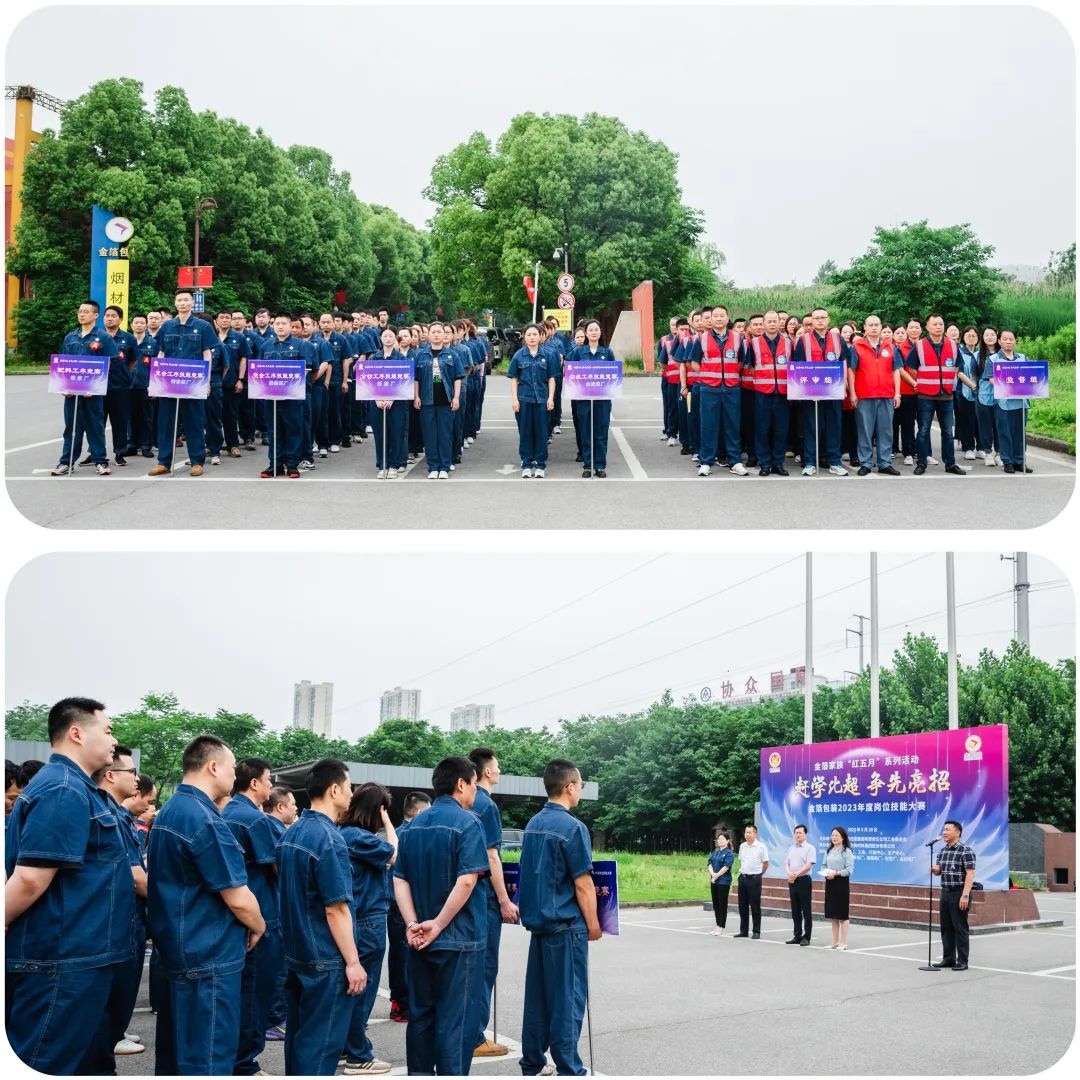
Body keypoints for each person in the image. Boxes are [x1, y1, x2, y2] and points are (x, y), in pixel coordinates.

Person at [5, 698, 130, 1074]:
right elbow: (29, 878)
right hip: (61, 962)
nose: (113, 740)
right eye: (107, 730)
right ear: (76, 733)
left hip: (82, 957)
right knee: (47, 1063)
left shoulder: (77, 788)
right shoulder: (63, 789)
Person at [147, 736, 266, 1075]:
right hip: (208, 958)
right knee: (208, 1057)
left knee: (177, 1054)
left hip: (180, 950)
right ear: (213, 767)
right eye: (231, 768)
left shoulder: (172, 809)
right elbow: (238, 898)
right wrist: (259, 926)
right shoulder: (204, 818)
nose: (234, 776)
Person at [392, 756, 489, 1077]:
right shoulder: (468, 823)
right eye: (474, 784)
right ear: (461, 784)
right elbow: (467, 879)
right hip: (458, 942)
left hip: (419, 940)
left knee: (422, 1016)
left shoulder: (413, 826)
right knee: (455, 1021)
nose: (475, 791)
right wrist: (439, 924)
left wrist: (412, 924)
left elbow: (399, 878)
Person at [277, 759, 365, 1076]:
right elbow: (336, 907)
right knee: (321, 1045)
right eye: (350, 787)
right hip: (325, 959)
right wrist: (353, 962)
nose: (352, 794)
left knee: (300, 1040)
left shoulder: (292, 832)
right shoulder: (329, 838)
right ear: (334, 789)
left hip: (297, 954)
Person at [517, 758, 601, 1077]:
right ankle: (569, 1068)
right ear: (569, 787)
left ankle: (533, 1063)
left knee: (538, 1000)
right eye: (579, 785)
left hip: (539, 926)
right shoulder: (573, 827)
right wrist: (593, 924)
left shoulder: (534, 824)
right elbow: (582, 882)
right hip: (566, 927)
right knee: (567, 998)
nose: (580, 790)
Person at [223, 758, 284, 1077]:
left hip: (233, 916)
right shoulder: (254, 821)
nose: (272, 786)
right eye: (269, 780)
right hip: (261, 918)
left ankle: (236, 1059)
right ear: (255, 784)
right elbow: (277, 867)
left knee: (238, 995)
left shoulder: (226, 813)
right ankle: (245, 1064)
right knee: (255, 998)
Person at [339, 783, 397, 1075]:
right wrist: (388, 823)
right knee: (364, 991)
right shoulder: (361, 838)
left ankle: (345, 1046)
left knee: (350, 990)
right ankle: (358, 1055)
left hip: (352, 919)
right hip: (369, 920)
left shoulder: (341, 833)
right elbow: (393, 853)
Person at [468, 748, 520, 1058]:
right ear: (487, 771)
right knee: (485, 967)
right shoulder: (486, 805)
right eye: (497, 767)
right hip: (484, 896)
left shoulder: (465, 801)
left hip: (463, 895)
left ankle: (463, 1031)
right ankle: (475, 1037)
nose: (499, 771)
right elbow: (491, 855)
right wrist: (504, 899)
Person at [148, 289, 217, 477]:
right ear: (175, 302)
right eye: (179, 300)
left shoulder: (203, 326)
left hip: (194, 382)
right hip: (168, 381)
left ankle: (197, 461)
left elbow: (207, 354)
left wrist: (207, 381)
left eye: (186, 300)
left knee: (194, 421)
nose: (183, 303)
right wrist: (155, 381)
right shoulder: (167, 326)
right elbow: (161, 353)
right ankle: (164, 461)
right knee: (166, 422)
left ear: (192, 303)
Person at [51, 299, 118, 476]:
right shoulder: (70, 337)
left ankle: (101, 462)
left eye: (86, 312)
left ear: (96, 315)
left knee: (95, 426)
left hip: (92, 393)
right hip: (72, 393)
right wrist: (63, 386)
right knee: (71, 427)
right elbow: (63, 364)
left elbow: (109, 365)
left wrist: (95, 387)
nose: (82, 314)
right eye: (80, 311)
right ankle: (66, 462)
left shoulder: (103, 337)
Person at [686, 305, 747, 477]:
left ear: (728, 319)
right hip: (709, 389)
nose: (719, 318)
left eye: (722, 316)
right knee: (708, 426)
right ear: (710, 320)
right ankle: (706, 462)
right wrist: (708, 377)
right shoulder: (702, 339)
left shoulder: (737, 338)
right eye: (716, 316)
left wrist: (728, 376)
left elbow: (740, 362)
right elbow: (694, 362)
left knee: (732, 426)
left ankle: (735, 461)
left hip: (731, 388)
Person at [387, 791, 432, 1024]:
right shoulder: (415, 835)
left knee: (398, 954)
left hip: (394, 903)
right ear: (418, 812)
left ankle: (400, 1001)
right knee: (406, 955)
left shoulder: (394, 834)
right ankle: (404, 1003)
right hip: (407, 905)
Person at [907, 313, 966, 476]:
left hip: (946, 395)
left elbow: (957, 365)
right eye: (935, 324)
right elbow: (912, 367)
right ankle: (921, 463)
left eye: (941, 324)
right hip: (925, 395)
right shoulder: (919, 345)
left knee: (948, 431)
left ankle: (950, 463)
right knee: (924, 430)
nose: (938, 327)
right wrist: (924, 380)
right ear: (927, 327)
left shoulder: (953, 346)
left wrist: (947, 379)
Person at [792, 308, 849, 476]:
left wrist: (844, 384)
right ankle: (810, 462)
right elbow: (798, 366)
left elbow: (843, 362)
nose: (820, 321)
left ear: (828, 319)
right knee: (812, 426)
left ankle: (834, 461)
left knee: (834, 426)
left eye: (823, 317)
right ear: (811, 321)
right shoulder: (804, 340)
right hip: (812, 391)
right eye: (816, 318)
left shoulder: (838, 339)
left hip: (833, 389)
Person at [262, 785, 297, 1044]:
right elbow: (279, 868)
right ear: (280, 806)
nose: (296, 808)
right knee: (277, 970)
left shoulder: (276, 828)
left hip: (274, 909)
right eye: (293, 803)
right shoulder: (272, 829)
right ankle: (276, 1019)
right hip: (273, 911)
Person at [847, 314, 902, 475]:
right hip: (864, 395)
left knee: (886, 430)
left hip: (886, 394)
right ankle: (866, 463)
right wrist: (853, 393)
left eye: (876, 325)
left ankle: (885, 463)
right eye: (870, 325)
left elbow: (896, 371)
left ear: (881, 327)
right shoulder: (857, 347)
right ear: (864, 328)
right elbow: (851, 371)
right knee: (865, 430)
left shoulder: (890, 347)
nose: (873, 327)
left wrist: (897, 393)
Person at [259, 312, 311, 479]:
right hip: (270, 396)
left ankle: (292, 464)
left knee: (293, 430)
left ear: (291, 326)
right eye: (277, 323)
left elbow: (308, 369)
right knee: (274, 430)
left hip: (292, 397)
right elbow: (259, 370)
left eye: (284, 323)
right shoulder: (265, 346)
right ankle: (275, 464)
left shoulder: (301, 345)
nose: (280, 326)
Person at [569, 318, 619, 479]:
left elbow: (614, 376)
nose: (593, 332)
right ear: (585, 333)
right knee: (585, 431)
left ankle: (600, 465)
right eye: (590, 330)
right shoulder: (577, 352)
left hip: (602, 399)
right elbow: (569, 370)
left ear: (600, 332)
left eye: (596, 329)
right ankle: (587, 465)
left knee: (601, 431)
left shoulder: (607, 352)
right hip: (583, 399)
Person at [414, 322, 462, 479]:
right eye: (433, 332)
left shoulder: (452, 355)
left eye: (439, 332)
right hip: (427, 400)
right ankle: (433, 466)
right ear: (428, 335)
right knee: (429, 435)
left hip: (445, 401)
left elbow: (458, 378)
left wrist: (456, 397)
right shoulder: (420, 354)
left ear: (444, 334)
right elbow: (415, 379)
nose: (436, 334)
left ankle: (445, 466)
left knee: (445, 434)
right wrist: (416, 396)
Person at [509, 323, 558, 478]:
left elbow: (552, 378)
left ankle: (540, 464)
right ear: (524, 336)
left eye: (534, 334)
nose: (532, 337)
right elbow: (514, 378)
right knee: (525, 433)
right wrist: (515, 399)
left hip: (542, 399)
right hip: (524, 399)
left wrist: (551, 398)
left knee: (542, 433)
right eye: (529, 334)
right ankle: (527, 463)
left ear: (540, 336)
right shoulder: (518, 355)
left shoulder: (548, 355)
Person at [748, 309, 792, 476]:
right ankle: (765, 464)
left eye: (775, 321)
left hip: (782, 393)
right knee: (762, 430)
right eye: (769, 321)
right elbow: (750, 366)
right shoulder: (754, 343)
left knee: (781, 430)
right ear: (764, 323)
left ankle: (778, 464)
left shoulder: (788, 342)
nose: (772, 324)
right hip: (762, 394)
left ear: (779, 323)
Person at [931, 820, 977, 971]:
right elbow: (940, 871)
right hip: (945, 892)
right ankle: (948, 959)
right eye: (944, 829)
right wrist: (935, 869)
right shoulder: (942, 851)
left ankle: (962, 961)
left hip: (959, 892)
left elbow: (970, 874)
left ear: (957, 832)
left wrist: (965, 895)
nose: (944, 832)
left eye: (948, 830)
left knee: (960, 927)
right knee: (946, 927)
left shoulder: (966, 851)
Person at [989, 329, 1034, 474]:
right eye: (1005, 339)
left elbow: (1032, 375)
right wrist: (1009, 386)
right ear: (999, 341)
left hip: (1021, 403)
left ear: (1015, 341)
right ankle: (1007, 461)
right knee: (1005, 432)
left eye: (1011, 339)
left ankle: (1020, 461)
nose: (1008, 341)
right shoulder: (993, 359)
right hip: (1003, 402)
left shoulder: (1023, 358)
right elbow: (990, 379)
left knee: (1020, 433)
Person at [371, 325, 411, 479]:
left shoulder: (402, 359)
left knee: (397, 433)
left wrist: (391, 397)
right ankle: (382, 465)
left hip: (397, 403)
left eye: (391, 336)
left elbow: (405, 382)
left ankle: (394, 465)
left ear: (396, 338)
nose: (388, 339)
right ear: (381, 338)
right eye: (385, 336)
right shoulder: (374, 358)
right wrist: (377, 398)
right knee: (380, 434)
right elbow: (367, 382)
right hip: (377, 403)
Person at [99, 304, 136, 467]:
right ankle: (95, 453)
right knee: (97, 421)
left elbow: (133, 361)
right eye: (107, 315)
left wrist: (124, 374)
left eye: (113, 315)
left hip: (120, 386)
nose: (109, 318)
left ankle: (120, 452)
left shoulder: (128, 338)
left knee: (119, 421)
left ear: (120, 319)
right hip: (97, 386)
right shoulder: (97, 336)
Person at [125, 313, 157, 458]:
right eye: (135, 322)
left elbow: (158, 366)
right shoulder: (125, 342)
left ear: (146, 325)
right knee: (130, 415)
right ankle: (131, 444)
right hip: (127, 385)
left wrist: (155, 386)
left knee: (146, 416)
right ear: (131, 325)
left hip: (146, 385)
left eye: (141, 323)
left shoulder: (153, 343)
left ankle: (146, 445)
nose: (138, 325)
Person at [733, 824, 768, 938]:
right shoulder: (742, 846)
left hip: (755, 879)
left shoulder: (761, 847)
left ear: (755, 833)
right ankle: (743, 931)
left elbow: (766, 863)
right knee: (742, 906)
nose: (747, 835)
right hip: (743, 878)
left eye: (750, 832)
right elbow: (742, 861)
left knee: (755, 906)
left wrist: (758, 875)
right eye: (746, 832)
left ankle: (756, 931)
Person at [822, 826, 855, 949]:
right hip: (830, 883)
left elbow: (849, 870)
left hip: (841, 883)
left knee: (842, 914)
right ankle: (834, 942)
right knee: (833, 915)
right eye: (832, 835)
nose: (834, 837)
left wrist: (836, 873)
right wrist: (826, 874)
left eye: (836, 835)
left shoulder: (847, 851)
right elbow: (823, 865)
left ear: (843, 837)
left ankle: (843, 942)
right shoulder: (828, 850)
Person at [784, 824, 816, 945]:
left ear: (805, 834)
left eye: (800, 833)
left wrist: (796, 874)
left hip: (803, 880)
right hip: (792, 881)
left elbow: (809, 865)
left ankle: (806, 937)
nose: (798, 835)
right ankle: (797, 935)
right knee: (795, 909)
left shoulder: (810, 848)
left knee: (806, 910)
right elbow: (786, 864)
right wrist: (790, 874)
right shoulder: (791, 848)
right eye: (796, 833)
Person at [975, 326, 1001, 466]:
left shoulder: (1003, 354)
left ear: (997, 336)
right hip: (983, 395)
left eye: (992, 334)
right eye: (987, 334)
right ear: (982, 338)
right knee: (985, 425)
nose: (990, 337)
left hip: (1001, 395)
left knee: (999, 425)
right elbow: (973, 374)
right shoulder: (977, 355)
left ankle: (999, 453)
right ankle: (987, 453)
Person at [956, 326, 980, 460]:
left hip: (981, 392)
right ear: (963, 338)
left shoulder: (981, 353)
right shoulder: (959, 353)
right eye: (968, 336)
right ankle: (968, 447)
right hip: (964, 391)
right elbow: (959, 372)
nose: (971, 338)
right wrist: (972, 385)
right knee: (967, 420)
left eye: (974, 336)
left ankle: (981, 447)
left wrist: (978, 386)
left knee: (980, 420)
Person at [706, 833, 734, 935]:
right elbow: (709, 864)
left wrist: (716, 876)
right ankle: (717, 925)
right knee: (716, 904)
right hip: (714, 881)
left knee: (722, 904)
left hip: (723, 882)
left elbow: (726, 867)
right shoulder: (715, 852)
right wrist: (712, 874)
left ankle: (721, 926)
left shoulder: (729, 854)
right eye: (719, 839)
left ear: (727, 841)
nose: (720, 841)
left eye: (722, 839)